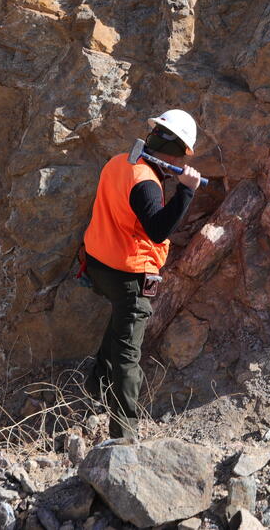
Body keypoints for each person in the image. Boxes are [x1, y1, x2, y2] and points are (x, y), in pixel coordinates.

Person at [82, 109, 202, 439]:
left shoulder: (119, 162)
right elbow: (159, 230)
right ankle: (124, 434)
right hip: (129, 274)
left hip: (99, 263)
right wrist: (186, 191)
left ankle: (95, 385)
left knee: (120, 326)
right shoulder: (145, 183)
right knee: (127, 355)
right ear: (179, 151)